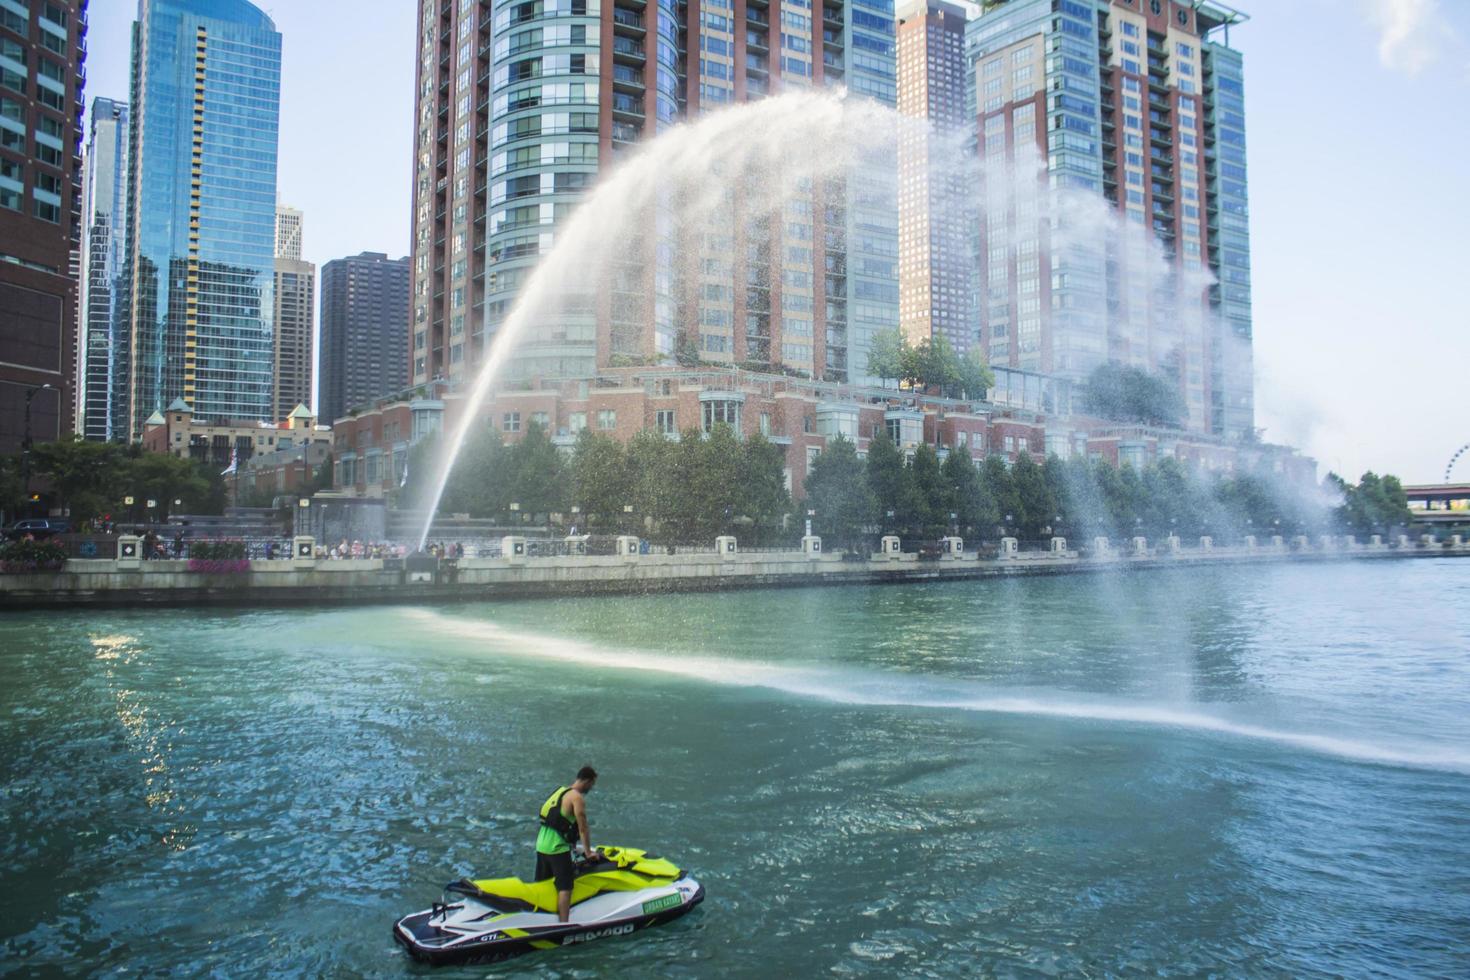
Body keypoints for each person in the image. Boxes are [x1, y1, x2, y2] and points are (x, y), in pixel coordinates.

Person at [534, 766, 601, 923]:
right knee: (565, 887)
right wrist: (588, 852)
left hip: (541, 844)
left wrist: (573, 847)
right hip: (557, 848)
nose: (591, 788)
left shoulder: (559, 792)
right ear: (586, 780)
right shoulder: (577, 798)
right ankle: (563, 924)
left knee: (543, 885)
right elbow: (583, 827)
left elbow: (557, 821)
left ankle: (538, 918)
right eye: (592, 784)